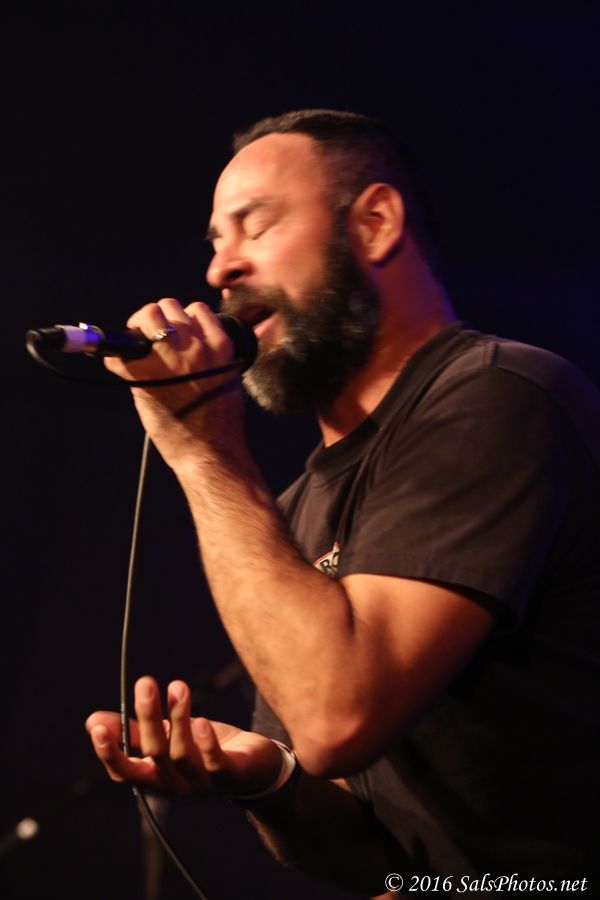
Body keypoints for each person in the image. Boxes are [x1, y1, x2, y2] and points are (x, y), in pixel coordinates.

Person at [86, 110, 600, 896]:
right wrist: (267, 780)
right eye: (215, 242)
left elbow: (337, 718)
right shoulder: (292, 509)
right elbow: (367, 858)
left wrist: (201, 450)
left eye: (255, 226)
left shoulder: (500, 396)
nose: (220, 269)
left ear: (375, 222)